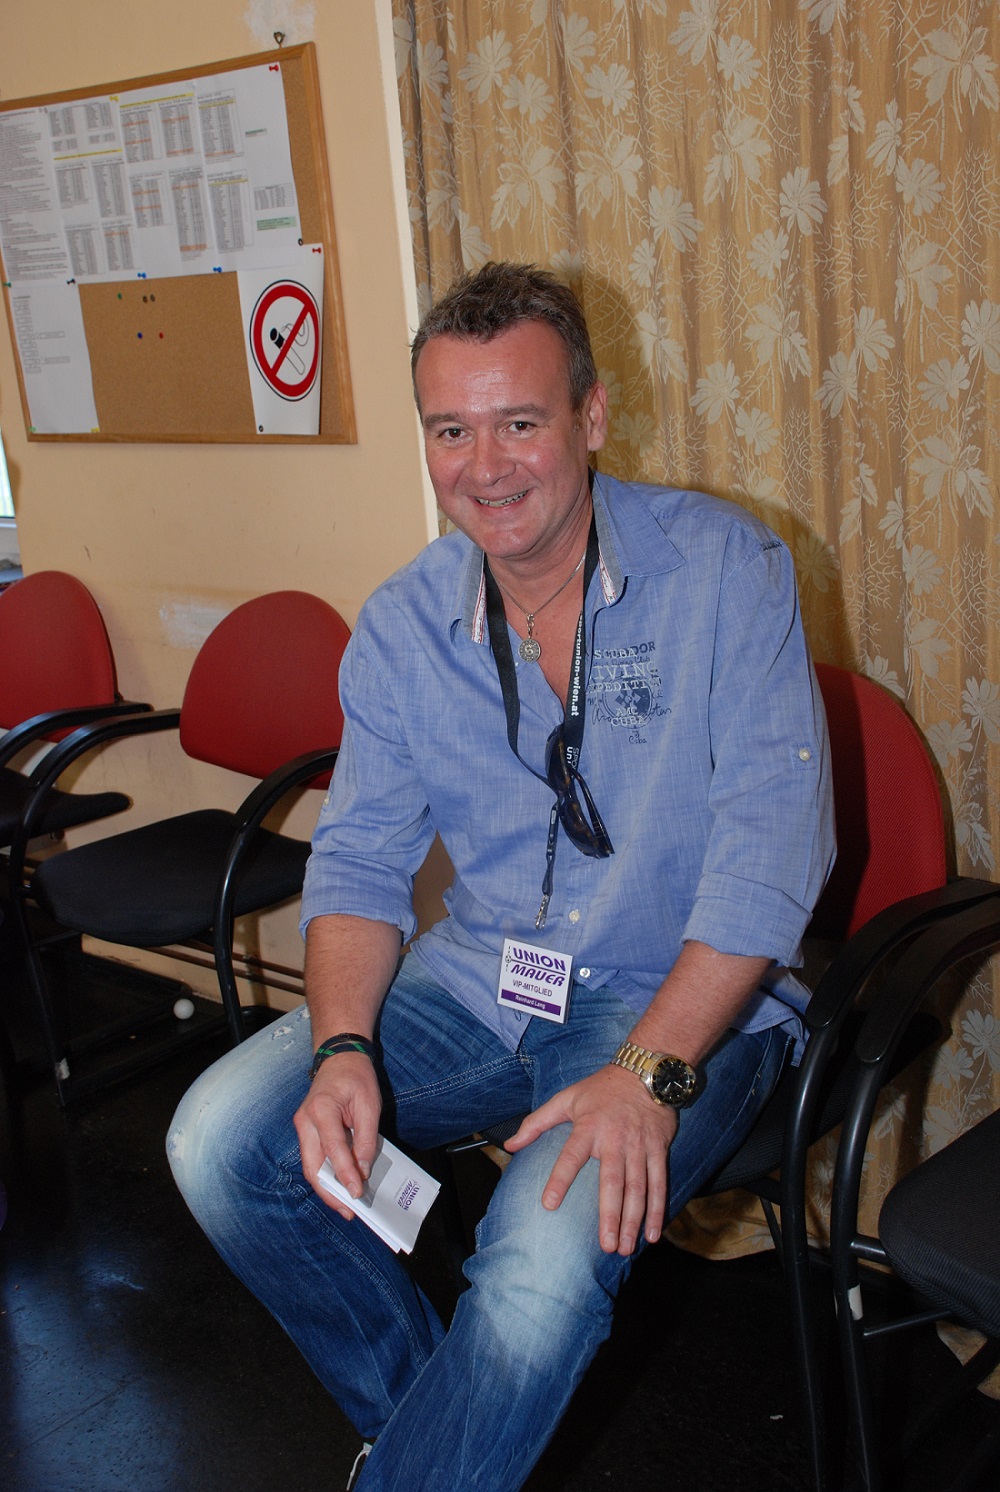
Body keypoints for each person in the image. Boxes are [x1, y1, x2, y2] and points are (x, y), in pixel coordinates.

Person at [168, 262, 835, 1491]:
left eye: (519, 422)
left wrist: (645, 1073)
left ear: (590, 415)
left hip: (679, 1002)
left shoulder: (726, 571)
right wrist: (341, 1046)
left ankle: (426, 1463)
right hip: (482, 981)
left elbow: (770, 857)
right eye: (450, 431)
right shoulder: (403, 624)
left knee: (535, 1265)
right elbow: (359, 863)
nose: (485, 467)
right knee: (222, 1142)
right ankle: (435, 1436)